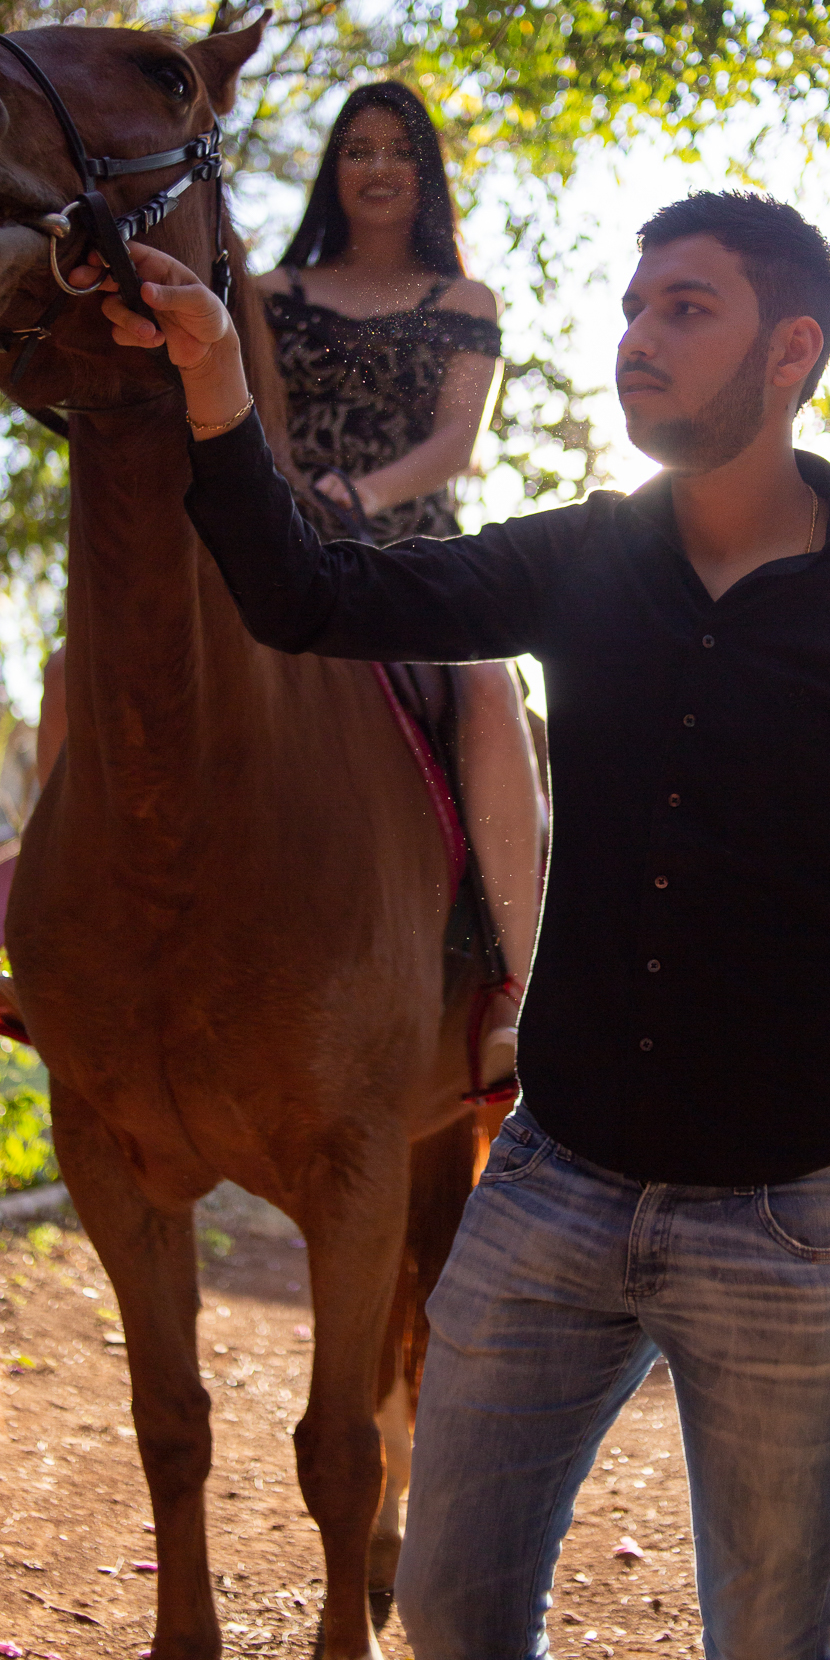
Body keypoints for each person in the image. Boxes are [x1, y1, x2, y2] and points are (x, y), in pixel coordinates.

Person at [89, 189, 830, 1660]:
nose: (637, 338)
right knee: (455, 1622)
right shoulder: (583, 555)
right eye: (632, 307)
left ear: (791, 349)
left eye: (686, 308)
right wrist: (215, 380)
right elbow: (306, 595)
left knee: (770, 1659)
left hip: (795, 1219)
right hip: (555, 1185)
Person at [254, 81, 543, 1086]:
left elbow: (456, 442)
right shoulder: (266, 293)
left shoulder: (465, 305)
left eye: (398, 150)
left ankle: (515, 986)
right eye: (357, 149)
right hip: (277, 544)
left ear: (427, 173)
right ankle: (44, 954)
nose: (377, 168)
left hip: (414, 556)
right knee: (83, 666)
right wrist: (287, 503)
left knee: (488, 685)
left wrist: (363, 495)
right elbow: (247, 420)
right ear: (332, 169)